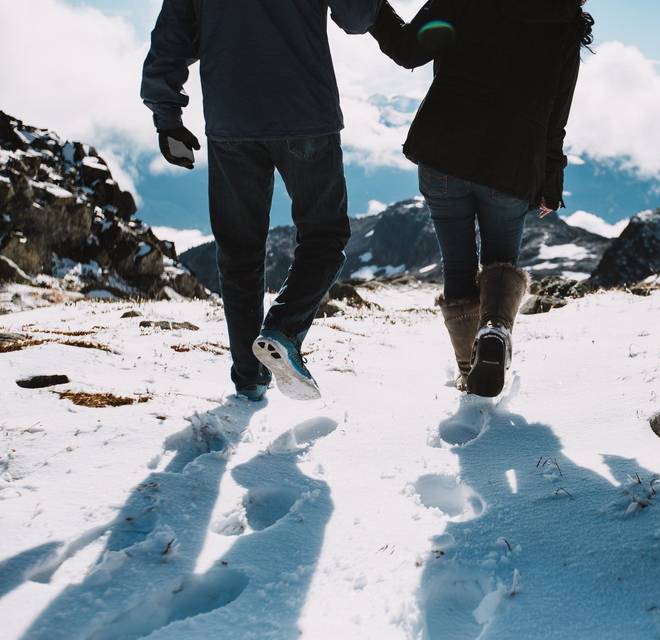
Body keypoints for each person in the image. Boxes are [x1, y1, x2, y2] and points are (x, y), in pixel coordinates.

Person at [141, 0, 382, 402]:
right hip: (306, 116)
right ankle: (283, 330)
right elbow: (356, 18)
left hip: (231, 120)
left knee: (239, 250)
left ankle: (250, 378)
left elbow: (172, 37)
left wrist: (167, 117)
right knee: (325, 234)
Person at [369, 0, 592, 397]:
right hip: (512, 164)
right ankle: (495, 330)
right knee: (501, 264)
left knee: (458, 265)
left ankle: (469, 369)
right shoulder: (563, 19)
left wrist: (372, 8)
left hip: (444, 151)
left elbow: (406, 50)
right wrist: (550, 181)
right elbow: (558, 113)